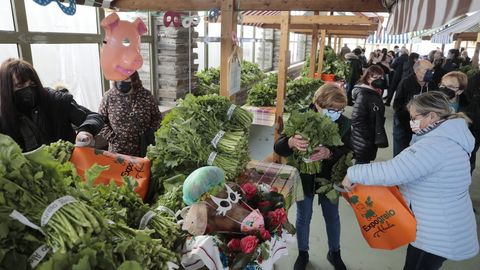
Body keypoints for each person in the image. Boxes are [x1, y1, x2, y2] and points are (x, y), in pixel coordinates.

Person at [342, 91, 479, 270]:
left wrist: (353, 172)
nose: (411, 122)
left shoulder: (436, 145)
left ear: (432, 116)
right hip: (441, 221)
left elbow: (394, 171)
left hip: (438, 233)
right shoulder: (448, 136)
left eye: (414, 117)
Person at [274, 83, 352, 270]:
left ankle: (335, 252)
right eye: (331, 109)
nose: (336, 113)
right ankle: (303, 252)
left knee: (332, 215)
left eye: (340, 110)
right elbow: (279, 147)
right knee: (304, 215)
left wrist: (329, 153)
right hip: (304, 178)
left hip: (329, 177)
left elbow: (348, 149)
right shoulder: (300, 116)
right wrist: (291, 141)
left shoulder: (343, 123)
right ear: (318, 103)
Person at [0, 58, 104, 152]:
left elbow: (94, 117)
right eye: (20, 85)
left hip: (68, 165)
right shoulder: (3, 116)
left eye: (32, 84)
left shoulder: (56, 100)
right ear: (6, 89)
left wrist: (85, 131)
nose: (29, 90)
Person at [99, 71, 161, 157]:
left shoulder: (146, 95)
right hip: (119, 151)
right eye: (119, 78)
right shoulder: (109, 96)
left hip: (143, 148)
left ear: (134, 79)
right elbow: (101, 121)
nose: (122, 81)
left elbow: (157, 117)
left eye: (126, 78)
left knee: (143, 170)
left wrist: (150, 132)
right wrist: (113, 138)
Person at [438, 71, 480, 174]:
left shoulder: (471, 107)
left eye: (450, 86)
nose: (444, 89)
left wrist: (467, 152)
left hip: (460, 158)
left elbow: (476, 133)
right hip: (436, 153)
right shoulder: (432, 101)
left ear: (460, 91)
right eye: (443, 85)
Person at [392, 59, 433, 156]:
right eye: (426, 70)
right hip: (404, 123)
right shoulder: (406, 83)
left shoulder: (432, 84)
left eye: (431, 70)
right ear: (417, 71)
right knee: (400, 153)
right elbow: (397, 105)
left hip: (423, 126)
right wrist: (409, 124)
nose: (430, 73)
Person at [351, 66, 388, 164]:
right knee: (361, 165)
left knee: (364, 163)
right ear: (367, 78)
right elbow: (356, 118)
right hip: (363, 138)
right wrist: (366, 135)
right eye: (375, 78)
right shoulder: (363, 94)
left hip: (370, 136)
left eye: (380, 78)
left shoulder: (375, 92)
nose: (379, 81)